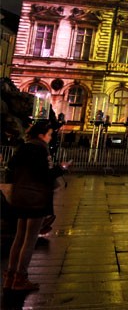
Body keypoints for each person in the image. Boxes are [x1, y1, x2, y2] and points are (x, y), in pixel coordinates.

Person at [4, 121, 69, 292]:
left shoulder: (24, 147)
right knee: (30, 239)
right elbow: (45, 175)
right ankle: (20, 278)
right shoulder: (40, 149)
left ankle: (9, 276)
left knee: (19, 237)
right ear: (41, 135)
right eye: (49, 134)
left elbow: (10, 168)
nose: (50, 137)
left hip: (21, 197)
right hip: (36, 198)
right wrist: (61, 169)